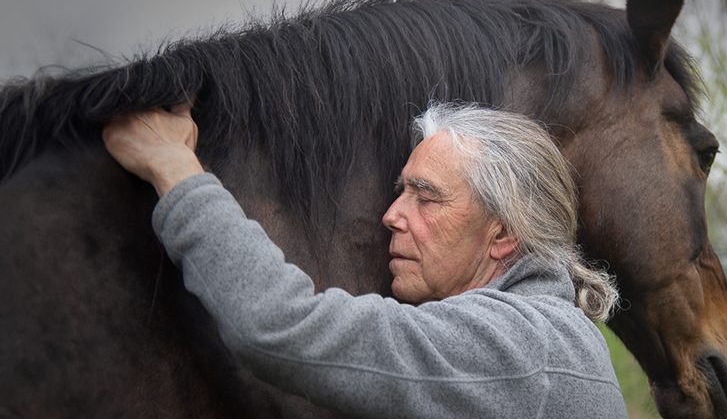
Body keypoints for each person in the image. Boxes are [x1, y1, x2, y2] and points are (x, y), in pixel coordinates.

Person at [103, 102, 628, 418]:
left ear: (504, 235)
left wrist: (174, 167)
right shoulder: (553, 334)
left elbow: (280, 326)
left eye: (426, 197)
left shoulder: (522, 343)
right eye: (402, 191)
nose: (392, 214)